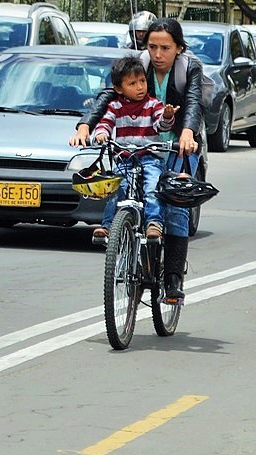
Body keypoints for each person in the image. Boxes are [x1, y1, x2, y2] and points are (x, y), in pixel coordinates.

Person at [74, 18, 204, 302]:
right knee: (125, 188)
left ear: (179, 48)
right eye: (152, 47)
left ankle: (171, 281)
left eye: (165, 48)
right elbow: (110, 95)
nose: (158, 54)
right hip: (137, 148)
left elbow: (194, 103)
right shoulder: (139, 64)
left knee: (176, 209)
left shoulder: (189, 68)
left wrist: (188, 132)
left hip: (178, 146)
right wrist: (86, 124)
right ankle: (128, 245)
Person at [74, 56, 169, 243]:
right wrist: (101, 134)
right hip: (124, 159)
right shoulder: (115, 106)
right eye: (132, 83)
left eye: (142, 81)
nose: (140, 87)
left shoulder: (154, 105)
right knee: (116, 190)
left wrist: (167, 116)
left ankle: (154, 224)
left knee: (152, 188)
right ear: (119, 89)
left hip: (150, 158)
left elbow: (162, 125)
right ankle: (107, 226)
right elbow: (105, 124)